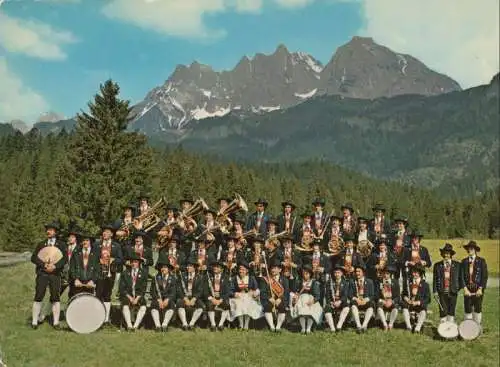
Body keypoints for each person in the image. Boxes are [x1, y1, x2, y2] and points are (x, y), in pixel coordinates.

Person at [30, 221, 67, 329]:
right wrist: (43, 265)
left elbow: (65, 258)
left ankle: (55, 322)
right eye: (47, 229)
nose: (48, 231)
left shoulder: (61, 245)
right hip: (42, 273)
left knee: (55, 297)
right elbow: (33, 258)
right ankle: (34, 321)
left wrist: (55, 266)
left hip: (55, 274)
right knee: (39, 295)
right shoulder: (41, 244)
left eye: (50, 230)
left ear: (55, 232)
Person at [95, 224, 123, 325]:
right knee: (98, 294)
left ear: (111, 234)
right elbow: (93, 257)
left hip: (111, 273)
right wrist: (99, 260)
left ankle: (106, 319)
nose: (104, 233)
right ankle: (97, 316)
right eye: (104, 232)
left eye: (107, 232)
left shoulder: (116, 246)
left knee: (107, 295)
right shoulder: (97, 244)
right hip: (99, 272)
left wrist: (113, 260)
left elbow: (121, 259)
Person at [460, 240, 488, 325]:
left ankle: (477, 328)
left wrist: (480, 289)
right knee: (467, 308)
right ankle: (468, 328)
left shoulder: (481, 261)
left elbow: (484, 276)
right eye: (468, 249)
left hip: (478, 288)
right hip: (467, 289)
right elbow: (461, 277)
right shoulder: (464, 261)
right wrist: (465, 289)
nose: (469, 250)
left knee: (478, 308)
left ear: (475, 250)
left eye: (471, 249)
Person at [229, 261, 263, 330]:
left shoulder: (251, 278)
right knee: (239, 304)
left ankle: (246, 324)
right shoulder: (234, 278)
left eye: (243, 270)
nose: (241, 271)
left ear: (247, 271)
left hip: (249, 297)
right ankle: (241, 324)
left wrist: (254, 293)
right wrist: (235, 294)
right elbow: (230, 290)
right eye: (240, 269)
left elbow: (257, 289)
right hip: (238, 297)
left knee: (248, 304)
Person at [433, 243, 461, 324]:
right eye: (445, 253)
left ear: (451, 254)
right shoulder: (437, 265)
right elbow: (435, 279)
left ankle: (450, 330)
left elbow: (460, 278)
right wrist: (435, 291)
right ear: (442, 254)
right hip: (441, 291)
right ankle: (443, 331)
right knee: (443, 311)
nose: (446, 255)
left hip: (453, 292)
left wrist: (457, 288)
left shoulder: (457, 265)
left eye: (448, 253)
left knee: (451, 311)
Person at [120, 253, 148, 331]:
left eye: (136, 262)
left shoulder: (144, 273)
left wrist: (137, 298)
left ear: (139, 263)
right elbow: (122, 288)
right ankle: (129, 325)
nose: (134, 264)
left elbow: (143, 288)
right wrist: (130, 297)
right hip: (127, 295)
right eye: (132, 262)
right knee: (125, 304)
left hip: (138, 296)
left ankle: (135, 326)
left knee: (143, 306)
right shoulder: (125, 273)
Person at [291, 265, 322, 334]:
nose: (305, 275)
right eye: (303, 273)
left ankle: (308, 328)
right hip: (301, 299)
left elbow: (317, 295)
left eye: (306, 273)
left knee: (310, 313)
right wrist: (295, 297)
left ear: (310, 274)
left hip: (311, 300)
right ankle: (303, 328)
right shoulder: (299, 282)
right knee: (301, 312)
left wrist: (313, 301)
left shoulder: (314, 282)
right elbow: (296, 291)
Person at [150, 253, 178, 332]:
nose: (163, 269)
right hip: (158, 299)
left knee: (171, 304)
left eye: (165, 267)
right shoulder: (156, 277)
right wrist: (158, 299)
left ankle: (164, 325)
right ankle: (158, 326)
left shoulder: (173, 278)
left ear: (169, 269)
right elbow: (152, 291)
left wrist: (167, 299)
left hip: (167, 299)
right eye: (162, 267)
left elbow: (174, 292)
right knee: (153, 304)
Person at [261, 259, 290, 332]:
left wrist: (280, 299)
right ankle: (271, 326)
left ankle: (278, 326)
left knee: (282, 307)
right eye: (272, 268)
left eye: (275, 268)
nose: (273, 270)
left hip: (280, 300)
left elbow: (286, 292)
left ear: (280, 270)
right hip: (269, 299)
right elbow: (263, 292)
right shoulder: (265, 279)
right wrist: (269, 298)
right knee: (267, 306)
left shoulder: (284, 280)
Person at [176, 259, 205, 330]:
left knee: (201, 306)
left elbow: (200, 290)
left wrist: (194, 299)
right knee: (179, 303)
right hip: (184, 297)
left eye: (190, 266)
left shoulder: (200, 277)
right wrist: (185, 298)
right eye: (187, 266)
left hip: (194, 297)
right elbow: (178, 289)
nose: (188, 267)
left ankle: (192, 323)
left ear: (194, 267)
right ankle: (184, 324)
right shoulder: (182, 276)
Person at [68, 232, 99, 298]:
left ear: (90, 242)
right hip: (78, 282)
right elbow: (72, 267)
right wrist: (75, 279)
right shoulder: (76, 252)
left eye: (87, 240)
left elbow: (97, 268)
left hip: (90, 283)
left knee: (88, 302)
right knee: (76, 301)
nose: (85, 242)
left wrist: (93, 280)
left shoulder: (95, 253)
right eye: (83, 240)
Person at [402, 264, 431, 333]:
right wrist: (407, 299)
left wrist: (418, 302)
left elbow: (428, 298)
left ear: (420, 274)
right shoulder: (408, 283)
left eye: (416, 272)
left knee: (423, 311)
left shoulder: (425, 284)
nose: (414, 274)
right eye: (413, 272)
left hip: (419, 306)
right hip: (410, 305)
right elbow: (403, 294)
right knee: (404, 308)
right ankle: (408, 326)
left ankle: (417, 328)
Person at [323, 264, 351, 332]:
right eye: (335, 273)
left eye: (338, 273)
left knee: (347, 306)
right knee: (327, 308)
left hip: (341, 302)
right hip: (332, 302)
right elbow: (327, 295)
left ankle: (339, 326)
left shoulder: (345, 283)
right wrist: (331, 302)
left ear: (341, 273)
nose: (337, 274)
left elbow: (345, 295)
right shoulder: (329, 283)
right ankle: (332, 328)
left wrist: (339, 301)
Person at [206, 261, 232, 331]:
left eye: (217, 267)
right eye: (214, 266)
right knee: (209, 305)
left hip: (221, 298)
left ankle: (220, 324)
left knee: (226, 305)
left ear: (222, 269)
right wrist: (212, 299)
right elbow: (205, 290)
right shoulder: (209, 276)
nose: (215, 268)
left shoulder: (226, 277)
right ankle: (213, 324)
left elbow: (228, 291)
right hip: (212, 298)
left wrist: (220, 300)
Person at [350, 263, 375, 333]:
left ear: (363, 273)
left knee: (371, 305)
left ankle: (364, 325)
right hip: (357, 301)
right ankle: (358, 325)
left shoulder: (370, 282)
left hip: (365, 301)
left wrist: (366, 300)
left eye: (359, 271)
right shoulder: (352, 281)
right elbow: (350, 295)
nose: (357, 273)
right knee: (353, 304)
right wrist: (356, 299)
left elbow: (372, 295)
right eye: (356, 271)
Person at [376, 265, 400, 331]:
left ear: (390, 274)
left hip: (391, 301)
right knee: (379, 307)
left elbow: (398, 296)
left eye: (387, 274)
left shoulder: (395, 282)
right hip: (383, 301)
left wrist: (392, 301)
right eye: (384, 273)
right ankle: (384, 324)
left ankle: (390, 324)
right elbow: (376, 295)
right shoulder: (379, 282)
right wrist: (381, 300)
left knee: (395, 308)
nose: (386, 275)